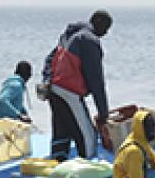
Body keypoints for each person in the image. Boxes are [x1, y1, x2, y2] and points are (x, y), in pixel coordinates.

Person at [41, 10, 112, 160]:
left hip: (54, 89)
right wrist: (104, 113)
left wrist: (46, 81)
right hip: (69, 92)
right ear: (99, 23)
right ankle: (87, 168)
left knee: (61, 132)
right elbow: (96, 80)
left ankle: (57, 163)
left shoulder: (68, 35)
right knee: (88, 137)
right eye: (106, 28)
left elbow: (50, 59)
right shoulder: (89, 40)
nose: (106, 33)